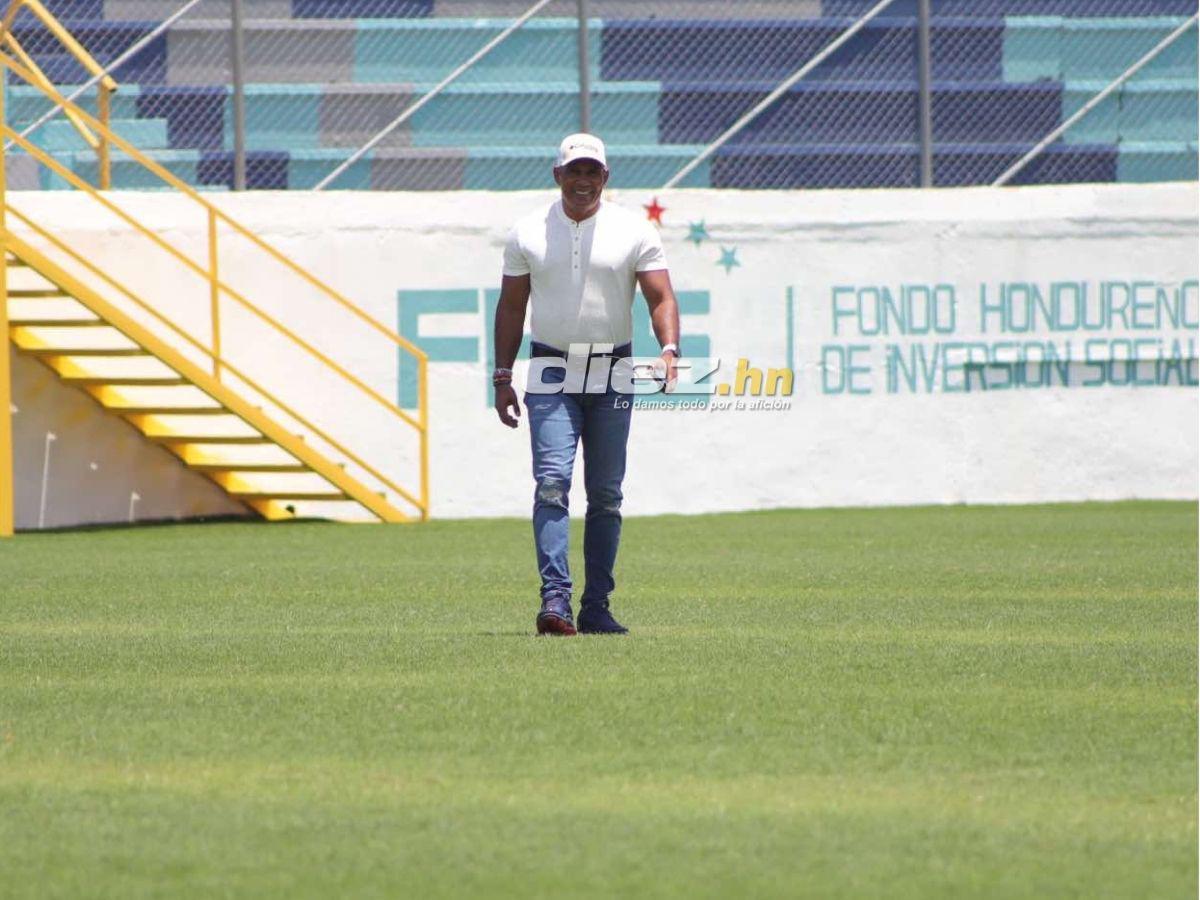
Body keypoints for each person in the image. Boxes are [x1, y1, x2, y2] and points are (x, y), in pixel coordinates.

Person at [492, 133, 681, 636]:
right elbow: (512, 308)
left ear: (605, 177)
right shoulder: (528, 232)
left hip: (614, 369)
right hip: (551, 368)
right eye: (573, 171)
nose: (582, 181)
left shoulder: (633, 230)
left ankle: (596, 606)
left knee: (606, 494)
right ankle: (555, 602)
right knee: (552, 484)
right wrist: (503, 375)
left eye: (592, 172)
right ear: (558, 175)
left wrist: (668, 351)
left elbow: (660, 297)